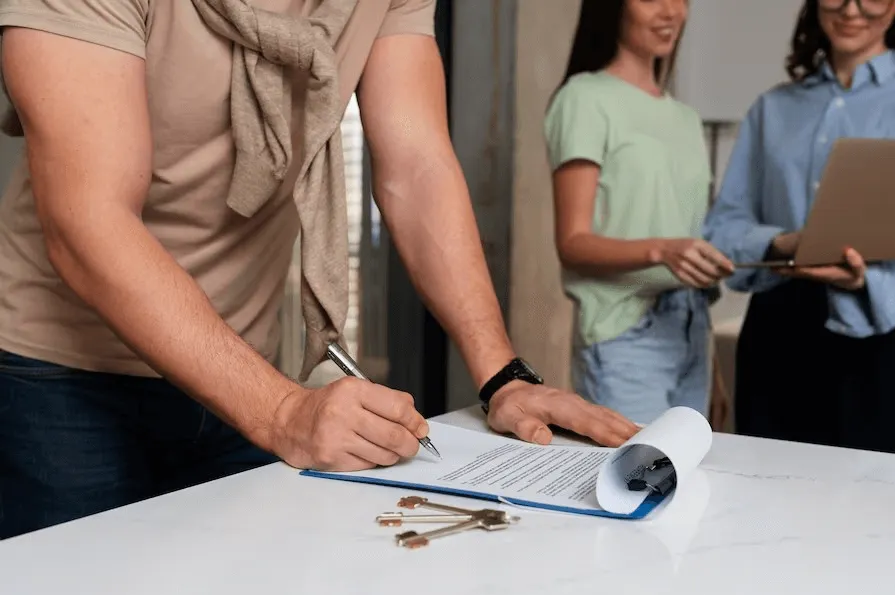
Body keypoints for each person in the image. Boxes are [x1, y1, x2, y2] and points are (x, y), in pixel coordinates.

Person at [0, 0, 640, 540]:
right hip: (55, 380)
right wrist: (281, 412)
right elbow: (88, 222)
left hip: (238, 368)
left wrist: (503, 376)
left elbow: (416, 167)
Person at [703, 0, 895, 456]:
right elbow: (723, 228)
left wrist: (864, 277)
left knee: (878, 509)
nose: (851, 9)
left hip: (874, 336)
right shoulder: (774, 107)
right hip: (775, 334)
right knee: (764, 505)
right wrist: (785, 243)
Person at [543, 0, 735, 426]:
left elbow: (691, 240)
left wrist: (714, 369)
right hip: (626, 336)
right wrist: (662, 251)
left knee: (686, 481)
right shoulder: (583, 98)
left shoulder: (685, 117)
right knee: (637, 484)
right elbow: (572, 242)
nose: (671, 12)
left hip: (690, 330)